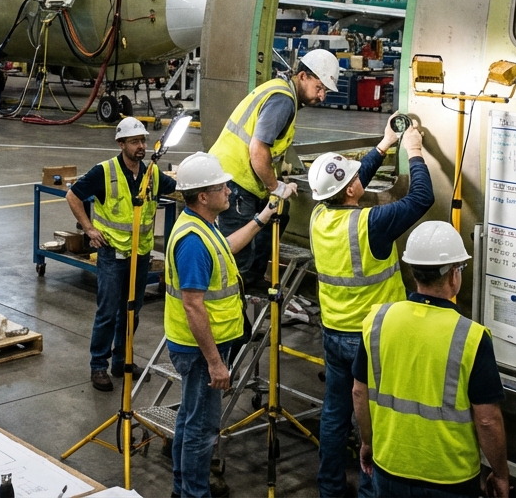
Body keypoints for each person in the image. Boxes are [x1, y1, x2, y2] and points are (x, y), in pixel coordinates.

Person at [306, 117, 434, 498]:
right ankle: (369, 490)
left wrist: (384, 145)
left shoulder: (319, 217)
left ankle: (329, 487)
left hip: (333, 332)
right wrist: (412, 149)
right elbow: (421, 199)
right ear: (350, 191)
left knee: (334, 414)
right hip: (373, 338)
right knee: (372, 418)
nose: (358, 179)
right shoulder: (371, 224)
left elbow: (350, 179)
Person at [165, 151, 295, 498]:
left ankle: (182, 488)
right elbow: (193, 306)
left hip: (200, 345)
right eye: (221, 186)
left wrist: (265, 214)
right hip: (198, 350)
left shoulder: (203, 226)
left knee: (190, 420)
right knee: (202, 428)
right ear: (203, 196)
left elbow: (228, 246)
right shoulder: (192, 242)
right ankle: (194, 493)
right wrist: (215, 362)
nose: (229, 190)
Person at [352, 221, 510, 498]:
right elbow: (487, 421)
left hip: (389, 467)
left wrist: (367, 442)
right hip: (450, 478)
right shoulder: (471, 337)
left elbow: (358, 391)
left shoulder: (378, 321)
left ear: (414, 272)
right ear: (453, 275)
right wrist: (500, 473)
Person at [209, 48, 341, 285]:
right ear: (303, 76)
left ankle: (252, 283)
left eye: (325, 91)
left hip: (238, 178)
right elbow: (258, 150)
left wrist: (279, 173)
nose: (322, 96)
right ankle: (234, 301)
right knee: (237, 256)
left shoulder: (279, 90)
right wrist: (275, 186)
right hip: (234, 181)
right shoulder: (283, 100)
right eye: (319, 88)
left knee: (277, 216)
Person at [66, 116, 178, 393]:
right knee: (107, 312)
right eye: (134, 142)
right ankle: (98, 366)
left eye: (142, 141)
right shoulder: (104, 172)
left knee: (132, 312)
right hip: (112, 254)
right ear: (121, 144)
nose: (141, 146)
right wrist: (89, 229)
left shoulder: (151, 173)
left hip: (140, 255)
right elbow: (73, 196)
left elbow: (176, 188)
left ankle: (121, 360)